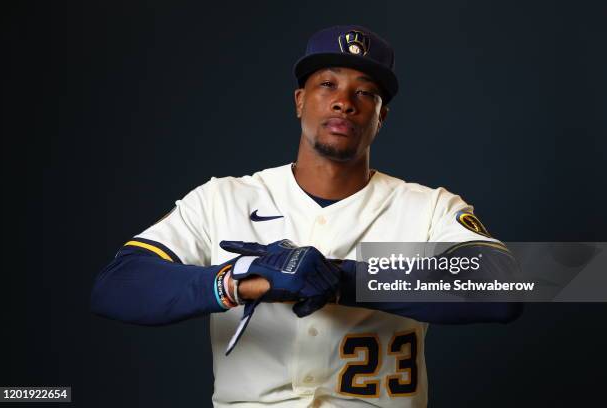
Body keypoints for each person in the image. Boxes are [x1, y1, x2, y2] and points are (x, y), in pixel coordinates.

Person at [91, 25, 522, 408]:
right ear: (300, 101)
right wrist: (241, 280)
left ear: (380, 116)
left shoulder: (426, 206)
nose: (344, 103)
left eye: (365, 92)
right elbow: (118, 286)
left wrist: (340, 278)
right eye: (327, 85)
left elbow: (505, 289)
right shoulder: (224, 197)